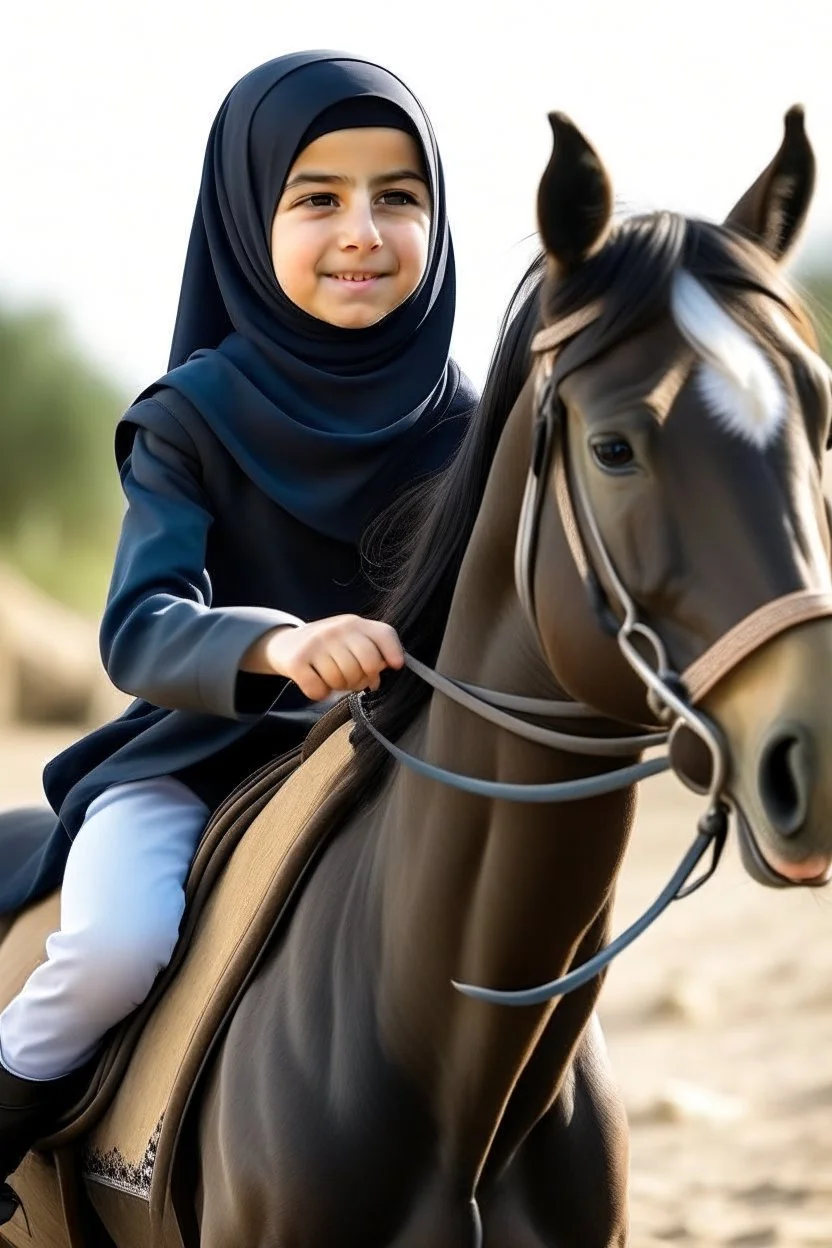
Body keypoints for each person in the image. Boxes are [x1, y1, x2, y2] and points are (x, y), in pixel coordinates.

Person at [0, 49, 476, 1221]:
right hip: (195, 765)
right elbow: (140, 626)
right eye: (316, 197)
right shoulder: (189, 412)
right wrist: (275, 645)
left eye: (397, 196)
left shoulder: (466, 422)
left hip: (388, 769)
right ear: (244, 216)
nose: (362, 229)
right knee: (113, 946)